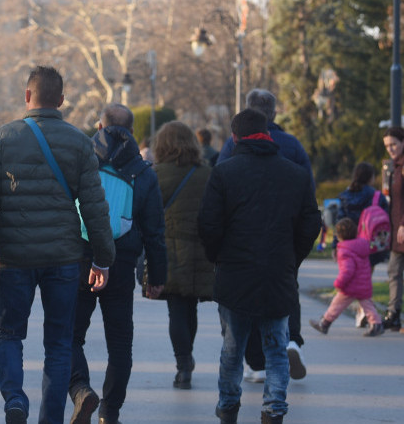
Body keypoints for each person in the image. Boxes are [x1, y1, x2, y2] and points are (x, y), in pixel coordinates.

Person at [0, 65, 115, 424]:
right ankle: (50, 419)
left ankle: (15, 401)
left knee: (8, 333)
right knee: (59, 341)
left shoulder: (2, 138)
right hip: (63, 257)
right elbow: (96, 208)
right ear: (62, 100)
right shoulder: (80, 142)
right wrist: (102, 258)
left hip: (13, 257)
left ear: (27, 96)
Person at [198, 109, 320, 424]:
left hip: (235, 272)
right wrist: (293, 258)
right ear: (266, 133)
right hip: (278, 272)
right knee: (277, 346)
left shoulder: (224, 173)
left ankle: (228, 408)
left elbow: (208, 225)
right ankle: (273, 410)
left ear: (236, 137)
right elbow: (310, 223)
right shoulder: (294, 174)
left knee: (232, 349)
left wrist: (218, 257)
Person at [68, 104, 167, 424]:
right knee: (120, 343)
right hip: (121, 263)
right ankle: (110, 413)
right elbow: (154, 232)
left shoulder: (81, 160)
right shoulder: (143, 172)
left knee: (69, 335)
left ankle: (81, 389)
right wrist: (155, 276)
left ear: (99, 126)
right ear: (133, 133)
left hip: (80, 258)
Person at [217, 89, 313, 382]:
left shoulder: (231, 146)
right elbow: (309, 200)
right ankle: (290, 341)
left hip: (241, 241)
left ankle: (255, 362)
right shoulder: (292, 146)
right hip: (283, 238)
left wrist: (217, 250)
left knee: (245, 301)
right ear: (274, 113)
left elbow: (216, 192)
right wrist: (298, 249)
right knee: (286, 290)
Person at [151, 121, 213, 390]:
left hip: (170, 250)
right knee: (191, 307)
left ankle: (183, 364)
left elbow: (149, 215)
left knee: (176, 308)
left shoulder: (156, 174)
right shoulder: (207, 173)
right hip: (200, 250)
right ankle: (187, 358)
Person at [309, 218, 385, 337]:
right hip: (363, 284)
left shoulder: (345, 250)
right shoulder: (362, 245)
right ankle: (376, 324)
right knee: (368, 305)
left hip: (350, 286)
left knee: (336, 305)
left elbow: (347, 271)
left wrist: (339, 283)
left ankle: (324, 323)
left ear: (339, 236)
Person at [381, 126, 404, 332]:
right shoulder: (394, 167)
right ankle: (393, 313)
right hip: (396, 229)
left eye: (394, 144)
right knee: (394, 271)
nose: (390, 148)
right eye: (387, 145)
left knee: (396, 271)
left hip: (402, 227)